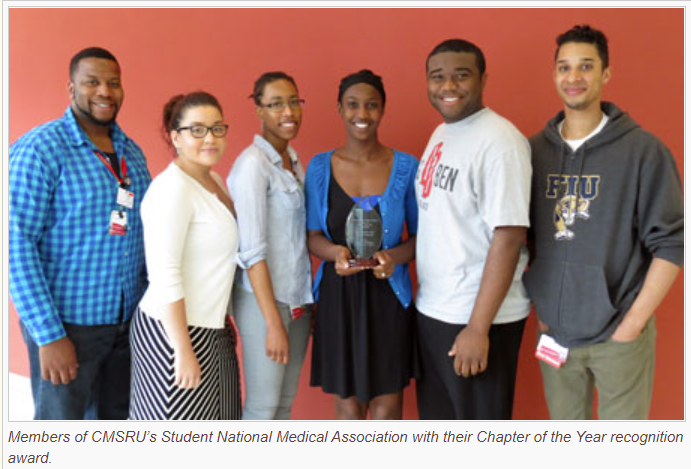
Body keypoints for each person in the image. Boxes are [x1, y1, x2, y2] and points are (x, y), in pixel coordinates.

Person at [524, 25, 683, 420]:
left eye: (586, 66)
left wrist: (633, 323)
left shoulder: (643, 151)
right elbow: (520, 237)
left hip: (619, 335)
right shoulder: (532, 152)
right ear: (554, 74)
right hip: (556, 335)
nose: (573, 77)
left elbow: (673, 243)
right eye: (564, 67)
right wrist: (543, 309)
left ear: (605, 74)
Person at [9, 47, 151, 420]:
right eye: (92, 81)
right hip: (69, 329)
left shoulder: (131, 154)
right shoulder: (39, 150)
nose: (104, 91)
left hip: (126, 328)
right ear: (71, 88)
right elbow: (14, 245)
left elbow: (145, 232)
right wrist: (49, 335)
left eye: (113, 83)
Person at [415, 39, 532, 420]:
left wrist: (477, 329)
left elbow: (510, 237)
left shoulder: (500, 141)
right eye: (438, 77)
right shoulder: (443, 132)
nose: (448, 86)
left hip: (478, 321)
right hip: (436, 310)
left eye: (461, 75)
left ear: (482, 79)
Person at [306, 70, 419, 420]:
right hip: (337, 299)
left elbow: (419, 238)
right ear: (339, 108)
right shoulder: (320, 167)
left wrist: (392, 258)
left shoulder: (406, 167)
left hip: (389, 297)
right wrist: (335, 254)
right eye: (353, 105)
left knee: (387, 411)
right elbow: (313, 236)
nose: (362, 114)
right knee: (349, 411)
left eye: (372, 105)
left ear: (383, 109)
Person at [129, 92, 241, 420]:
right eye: (197, 129)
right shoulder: (171, 189)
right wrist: (181, 350)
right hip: (173, 333)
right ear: (175, 137)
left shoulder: (214, 180)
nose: (210, 138)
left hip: (213, 328)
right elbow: (165, 276)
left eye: (217, 128)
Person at [227, 72, 312, 420]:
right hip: (265, 304)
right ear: (259, 111)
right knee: (262, 409)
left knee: (283, 405)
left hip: (297, 299)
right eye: (275, 104)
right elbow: (252, 253)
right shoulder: (252, 165)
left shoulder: (293, 162)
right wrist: (272, 323)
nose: (288, 111)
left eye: (293, 101)